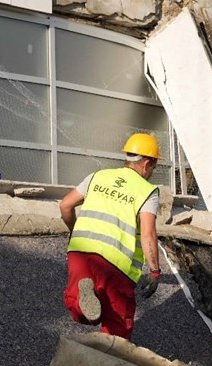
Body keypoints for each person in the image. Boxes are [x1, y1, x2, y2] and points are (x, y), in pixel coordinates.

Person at [59, 133, 163, 340]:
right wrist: (155, 271)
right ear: (147, 162)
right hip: (115, 263)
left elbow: (65, 205)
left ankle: (83, 299)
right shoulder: (147, 190)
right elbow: (148, 234)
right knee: (118, 326)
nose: (152, 172)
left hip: (80, 252)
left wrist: (75, 232)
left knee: (80, 308)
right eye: (154, 167)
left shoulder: (97, 176)